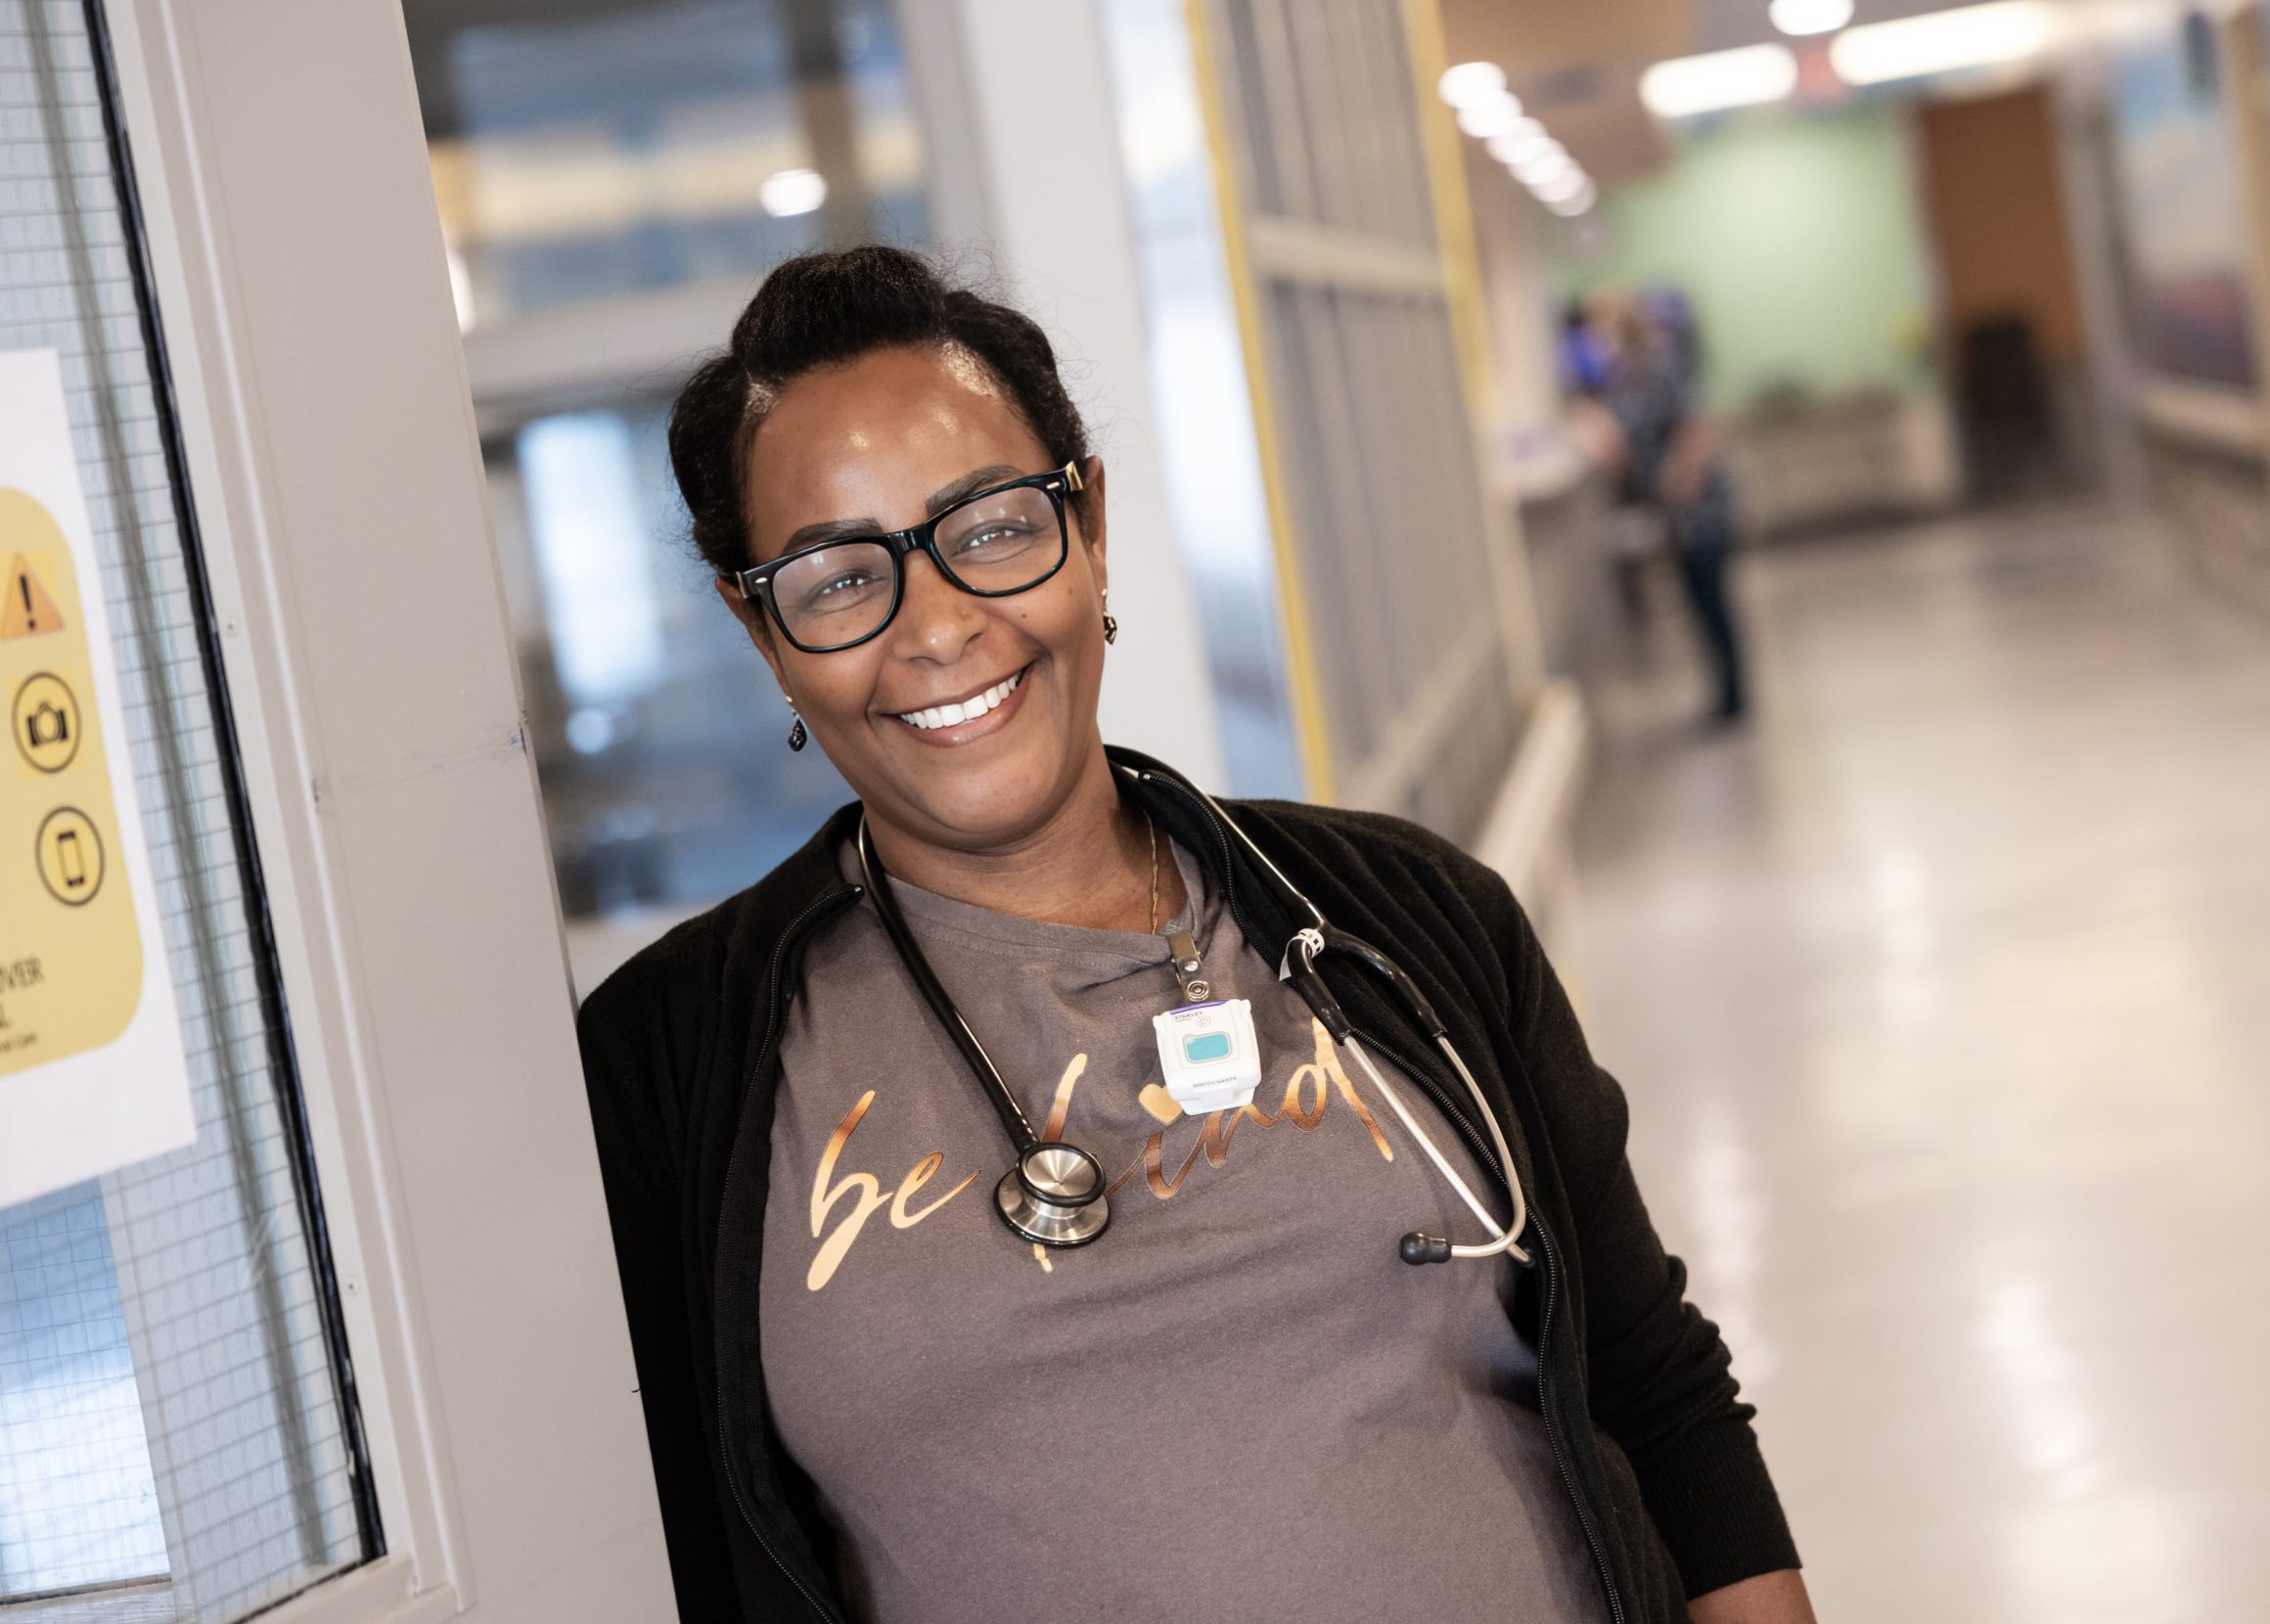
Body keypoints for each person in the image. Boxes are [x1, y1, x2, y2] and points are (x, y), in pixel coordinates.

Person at [575, 245, 1812, 1624]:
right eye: (835, 576)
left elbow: (1654, 1376)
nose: (934, 626)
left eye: (987, 527)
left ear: (1089, 525)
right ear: (764, 631)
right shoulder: (669, 1072)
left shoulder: (1408, 917)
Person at [1599, 291, 1748, 725]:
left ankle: (1735, 694)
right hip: (1673, 514)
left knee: (1713, 600)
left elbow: (1696, 429)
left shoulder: (1662, 368)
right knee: (1697, 604)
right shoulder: (1624, 378)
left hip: (1698, 510)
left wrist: (1676, 485)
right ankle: (1723, 690)